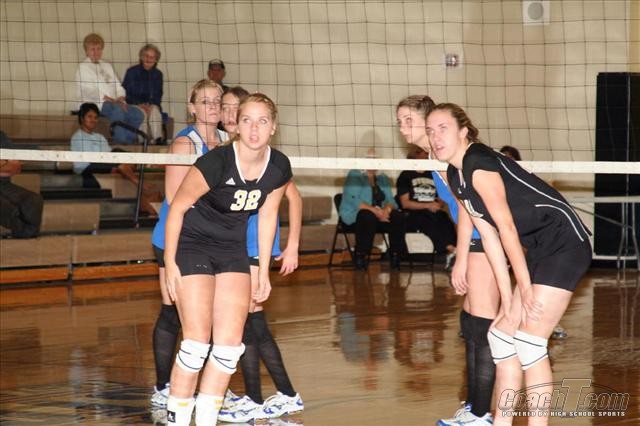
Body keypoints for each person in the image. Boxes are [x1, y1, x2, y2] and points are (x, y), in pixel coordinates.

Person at [426, 103, 591, 425]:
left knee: (529, 343)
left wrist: (524, 289)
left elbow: (507, 229)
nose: (435, 137)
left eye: (443, 128)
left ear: (463, 131)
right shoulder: (456, 175)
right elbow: (489, 238)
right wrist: (507, 299)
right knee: (501, 334)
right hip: (538, 248)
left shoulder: (479, 163)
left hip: (565, 244)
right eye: (430, 130)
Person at [164, 93, 292, 426]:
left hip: (232, 249)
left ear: (273, 127)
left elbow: (267, 216)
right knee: (195, 345)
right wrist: (170, 263)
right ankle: (177, 419)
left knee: (228, 348)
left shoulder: (278, 166)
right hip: (193, 245)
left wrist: (263, 270)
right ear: (236, 125)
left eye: (262, 121)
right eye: (247, 120)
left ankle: (206, 420)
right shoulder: (217, 162)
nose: (254, 129)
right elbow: (177, 208)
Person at [396, 95, 498, 426]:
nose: (402, 128)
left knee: (481, 326)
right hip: (477, 237)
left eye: (409, 120)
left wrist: (462, 257)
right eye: (399, 121)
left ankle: (481, 414)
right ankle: (474, 406)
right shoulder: (434, 156)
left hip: (486, 237)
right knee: (470, 323)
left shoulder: (447, 158)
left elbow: (468, 208)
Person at [217, 86, 305, 423]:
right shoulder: (226, 155)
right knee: (252, 324)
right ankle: (277, 394)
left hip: (255, 245)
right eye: (226, 109)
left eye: (233, 108)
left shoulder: (268, 161)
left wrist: (292, 244)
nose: (229, 114)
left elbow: (294, 198)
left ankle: (262, 397)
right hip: (232, 245)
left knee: (249, 322)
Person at [149, 79, 227, 410]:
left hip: (212, 238)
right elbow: (173, 197)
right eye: (205, 101)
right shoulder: (184, 144)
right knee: (173, 312)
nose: (212, 106)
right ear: (192, 107)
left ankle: (207, 386)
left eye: (217, 100)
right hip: (177, 238)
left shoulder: (228, 140)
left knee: (211, 316)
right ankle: (163, 387)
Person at [69, 103, 160, 214]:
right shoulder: (78, 137)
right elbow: (86, 161)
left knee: (119, 153)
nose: (93, 120)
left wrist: (113, 161)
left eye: (96, 117)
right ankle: (139, 183)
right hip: (87, 168)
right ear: (82, 118)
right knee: (118, 159)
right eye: (89, 117)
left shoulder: (99, 137)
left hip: (104, 162)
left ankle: (134, 172)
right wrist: (111, 162)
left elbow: (110, 154)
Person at [339, 150, 406, 270]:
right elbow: (353, 199)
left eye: (376, 159)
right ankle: (361, 255)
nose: (373, 161)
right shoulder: (355, 174)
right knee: (367, 216)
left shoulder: (382, 177)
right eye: (370, 158)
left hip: (379, 216)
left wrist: (386, 210)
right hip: (357, 215)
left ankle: (395, 255)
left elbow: (391, 200)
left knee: (398, 216)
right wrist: (376, 212)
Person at [75, 33, 144, 144]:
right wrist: (110, 99)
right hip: (95, 103)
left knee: (137, 114)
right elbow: (88, 91)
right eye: (92, 49)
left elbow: (118, 85)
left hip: (114, 102)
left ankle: (128, 143)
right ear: (86, 51)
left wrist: (121, 97)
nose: (96, 52)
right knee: (117, 110)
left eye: (99, 49)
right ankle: (121, 143)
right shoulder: (83, 67)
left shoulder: (107, 66)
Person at [396, 147, 457, 270]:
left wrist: (438, 203)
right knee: (428, 221)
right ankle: (451, 250)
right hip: (413, 213)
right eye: (425, 153)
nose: (427, 156)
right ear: (416, 154)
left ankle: (455, 250)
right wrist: (428, 205)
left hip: (433, 211)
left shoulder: (432, 174)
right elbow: (405, 203)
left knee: (445, 219)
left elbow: (441, 197)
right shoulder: (405, 175)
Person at [0, 130, 43, 238]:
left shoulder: (1, 136)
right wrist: (4, 164)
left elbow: (16, 167)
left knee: (34, 200)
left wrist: (6, 166)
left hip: (4, 184)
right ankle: (22, 235)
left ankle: (26, 237)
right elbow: (9, 166)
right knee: (8, 208)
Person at [122, 43, 164, 143]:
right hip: (133, 104)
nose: (148, 59)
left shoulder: (158, 74)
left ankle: (157, 140)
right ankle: (143, 140)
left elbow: (158, 95)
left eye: (152, 57)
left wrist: (151, 105)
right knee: (141, 113)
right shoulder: (131, 72)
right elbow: (125, 94)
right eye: (146, 56)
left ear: (156, 60)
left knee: (155, 111)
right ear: (141, 57)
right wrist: (139, 104)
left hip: (150, 105)